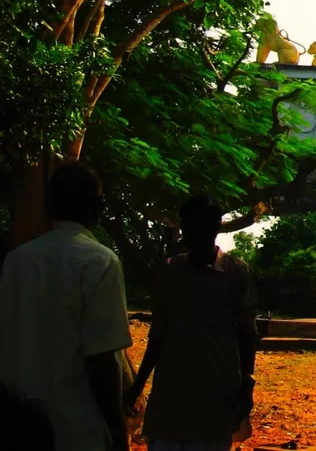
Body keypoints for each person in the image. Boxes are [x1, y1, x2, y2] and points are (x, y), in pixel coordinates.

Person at [0, 162, 132, 451]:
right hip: (77, 429)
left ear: (49, 204)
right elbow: (102, 357)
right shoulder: (100, 261)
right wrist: (117, 427)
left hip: (15, 428)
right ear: (97, 206)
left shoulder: (15, 261)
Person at [126, 195, 256, 451]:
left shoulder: (237, 274)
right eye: (187, 226)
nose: (191, 234)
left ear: (215, 228)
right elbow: (158, 334)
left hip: (216, 393)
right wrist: (138, 385)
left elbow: (247, 334)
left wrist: (247, 386)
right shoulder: (169, 272)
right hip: (171, 392)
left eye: (199, 227)